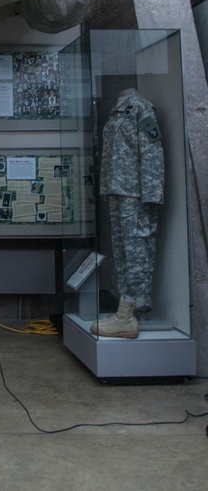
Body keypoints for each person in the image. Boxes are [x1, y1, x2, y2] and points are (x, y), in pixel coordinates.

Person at [91, 88, 164, 339]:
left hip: (135, 193)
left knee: (137, 251)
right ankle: (126, 311)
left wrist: (151, 195)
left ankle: (130, 311)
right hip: (116, 190)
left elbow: (152, 152)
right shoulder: (117, 110)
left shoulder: (141, 108)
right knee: (121, 251)